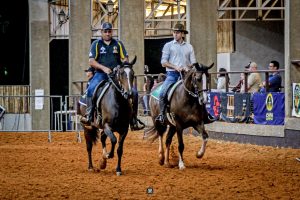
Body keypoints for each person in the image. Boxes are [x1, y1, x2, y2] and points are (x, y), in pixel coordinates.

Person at [82, 22, 144, 130]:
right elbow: (91, 61)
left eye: (109, 31)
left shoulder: (118, 44)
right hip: (101, 74)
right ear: (101, 32)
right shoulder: (96, 44)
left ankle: (133, 119)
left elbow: (125, 58)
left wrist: (122, 66)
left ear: (112, 32)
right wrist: (104, 68)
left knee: (133, 92)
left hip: (116, 75)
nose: (107, 33)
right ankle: (89, 115)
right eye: (105, 31)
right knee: (91, 88)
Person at [155, 23, 196, 124]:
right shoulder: (168, 46)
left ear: (182, 34)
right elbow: (163, 62)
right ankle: (162, 114)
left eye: (177, 33)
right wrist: (176, 67)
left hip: (186, 76)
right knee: (162, 93)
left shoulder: (189, 47)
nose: (175, 34)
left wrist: (188, 67)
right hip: (172, 75)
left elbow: (193, 63)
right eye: (174, 32)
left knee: (199, 91)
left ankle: (204, 114)